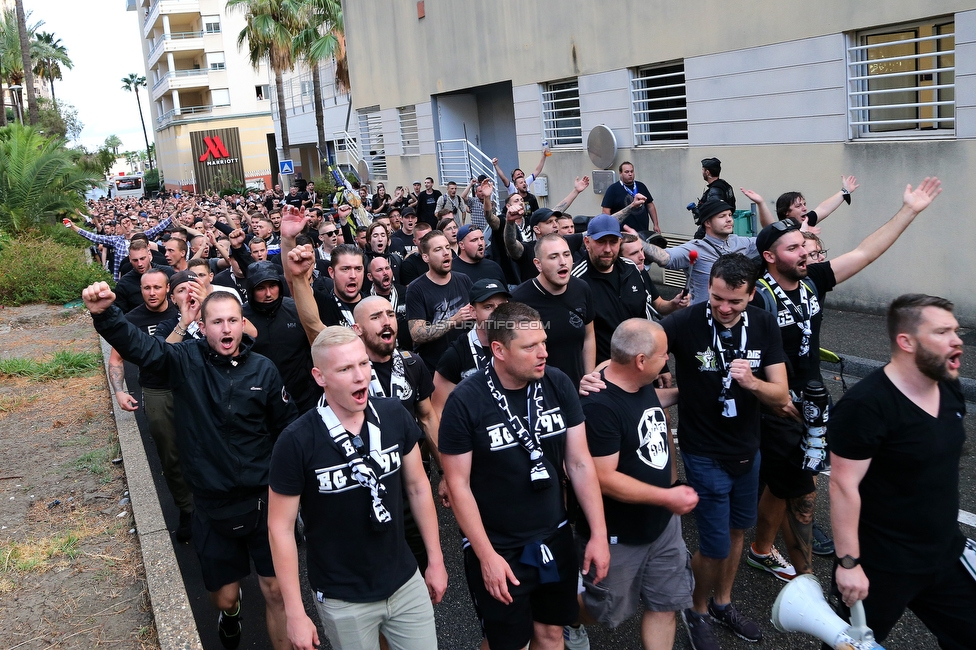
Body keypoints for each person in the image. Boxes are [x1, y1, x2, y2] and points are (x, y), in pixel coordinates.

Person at [81, 284, 297, 650]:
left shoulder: (264, 370)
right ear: (203, 325)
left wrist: (293, 491)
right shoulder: (183, 361)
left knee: (277, 592)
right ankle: (231, 614)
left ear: (243, 324)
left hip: (263, 500)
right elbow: (141, 347)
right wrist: (105, 314)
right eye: (217, 322)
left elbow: (287, 430)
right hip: (212, 504)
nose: (226, 329)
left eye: (232, 320)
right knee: (225, 598)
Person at [439, 302, 610, 650]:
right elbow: (457, 485)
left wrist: (598, 534)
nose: (543, 353)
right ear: (498, 350)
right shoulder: (465, 402)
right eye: (530, 347)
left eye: (543, 342)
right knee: (509, 642)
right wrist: (486, 557)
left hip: (554, 535)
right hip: (499, 545)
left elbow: (579, 463)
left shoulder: (558, 383)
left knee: (551, 633)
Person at [267, 327, 447, 650]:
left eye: (363, 364)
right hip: (342, 597)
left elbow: (420, 488)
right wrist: (295, 612)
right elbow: (279, 528)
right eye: (345, 369)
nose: (360, 377)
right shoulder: (296, 441)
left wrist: (435, 559)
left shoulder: (393, 415)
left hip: (405, 582)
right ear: (319, 376)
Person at [829, 294, 976, 648]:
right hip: (882, 566)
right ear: (906, 341)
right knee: (851, 646)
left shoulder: (947, 384)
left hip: (943, 554)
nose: (957, 340)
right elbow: (842, 484)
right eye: (942, 332)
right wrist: (849, 564)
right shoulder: (866, 406)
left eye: (955, 330)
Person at [660, 253, 790, 650]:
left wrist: (752, 383)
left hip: (748, 450)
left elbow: (780, 392)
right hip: (703, 451)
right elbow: (637, 351)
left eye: (734, 300)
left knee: (737, 532)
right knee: (714, 544)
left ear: (751, 294)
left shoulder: (765, 324)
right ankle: (696, 609)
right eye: (717, 297)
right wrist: (599, 378)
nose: (723, 307)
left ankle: (723, 602)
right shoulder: (686, 322)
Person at [578, 319, 697, 650]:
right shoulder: (600, 407)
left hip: (662, 527)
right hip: (622, 534)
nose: (667, 360)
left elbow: (648, 401)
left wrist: (687, 394)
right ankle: (563, 619)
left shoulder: (637, 382)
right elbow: (603, 478)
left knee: (666, 604)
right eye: (663, 356)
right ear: (641, 361)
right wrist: (666, 496)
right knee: (601, 608)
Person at [106, 268, 193, 543]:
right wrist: (119, 391)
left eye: (157, 287)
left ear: (168, 288)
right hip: (157, 390)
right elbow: (116, 359)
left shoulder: (182, 313)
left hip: (191, 387)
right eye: (146, 288)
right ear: (140, 290)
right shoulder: (131, 320)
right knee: (170, 454)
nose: (152, 293)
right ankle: (186, 509)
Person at [570, 215, 672, 364]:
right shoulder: (576, 280)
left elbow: (645, 318)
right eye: (601, 242)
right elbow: (578, 338)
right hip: (603, 374)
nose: (608, 249)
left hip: (639, 366)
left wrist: (660, 366)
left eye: (613, 242)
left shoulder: (631, 269)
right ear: (587, 242)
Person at [512, 234, 595, 388]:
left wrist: (588, 377)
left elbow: (589, 336)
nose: (562, 262)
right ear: (538, 264)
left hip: (577, 389)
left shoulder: (582, 288)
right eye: (553, 257)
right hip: (539, 394)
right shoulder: (519, 299)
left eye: (566, 254)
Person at [430, 278, 510, 418]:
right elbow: (438, 412)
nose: (497, 314)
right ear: (473, 312)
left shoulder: (520, 345)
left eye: (502, 306)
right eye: (488, 307)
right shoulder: (456, 355)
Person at [406, 230, 475, 371]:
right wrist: (453, 320)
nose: (445, 253)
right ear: (426, 257)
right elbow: (417, 334)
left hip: (468, 361)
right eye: (438, 249)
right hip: (436, 367)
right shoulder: (416, 289)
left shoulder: (463, 279)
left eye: (447, 247)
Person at [113, 240, 176, 313]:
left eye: (142, 258)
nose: (140, 264)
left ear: (149, 255)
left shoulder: (168, 272)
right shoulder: (124, 284)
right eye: (135, 260)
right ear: (130, 259)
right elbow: (121, 313)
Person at [601, 162, 660, 233]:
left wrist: (655, 224)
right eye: (626, 172)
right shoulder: (613, 189)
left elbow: (650, 205)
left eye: (632, 171)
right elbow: (605, 211)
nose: (630, 174)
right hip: (623, 232)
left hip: (642, 231)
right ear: (620, 173)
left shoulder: (641, 186)